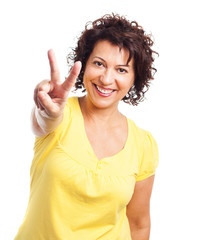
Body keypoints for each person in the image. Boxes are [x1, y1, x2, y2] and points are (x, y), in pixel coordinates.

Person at [14, 13, 159, 240]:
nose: (106, 79)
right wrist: (46, 110)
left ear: (134, 79)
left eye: (121, 70)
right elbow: (43, 122)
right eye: (99, 64)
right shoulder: (61, 115)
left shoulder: (143, 144)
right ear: (84, 65)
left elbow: (139, 224)